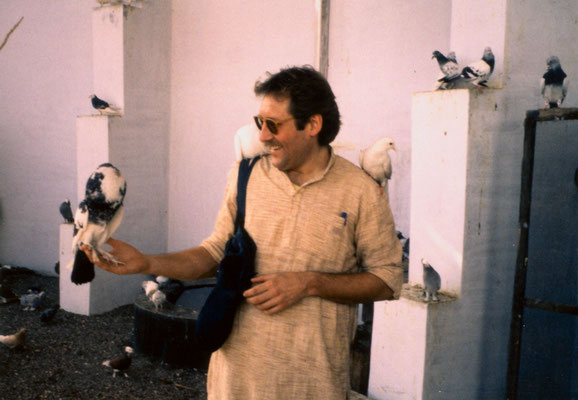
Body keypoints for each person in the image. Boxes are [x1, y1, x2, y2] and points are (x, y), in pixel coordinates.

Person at [87, 65, 403, 399]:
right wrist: (145, 262)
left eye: (273, 125)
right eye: (259, 123)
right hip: (236, 383)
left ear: (312, 124)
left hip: (313, 384)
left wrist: (310, 283)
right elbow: (213, 254)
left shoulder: (361, 191)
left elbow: (387, 279)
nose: (263, 136)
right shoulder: (247, 175)